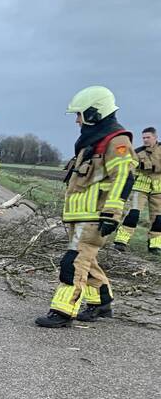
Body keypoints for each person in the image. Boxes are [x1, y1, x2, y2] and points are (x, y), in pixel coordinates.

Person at [35, 86, 137, 328]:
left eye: (79, 115)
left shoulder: (117, 141)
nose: (77, 121)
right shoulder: (91, 143)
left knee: (73, 262)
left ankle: (62, 310)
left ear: (94, 113)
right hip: (80, 217)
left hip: (94, 217)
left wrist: (112, 213)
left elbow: (123, 176)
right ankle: (101, 301)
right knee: (87, 261)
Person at [114, 126, 161, 254]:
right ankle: (121, 241)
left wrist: (147, 166)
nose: (145, 140)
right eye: (143, 137)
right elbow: (129, 165)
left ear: (155, 137)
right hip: (140, 188)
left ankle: (155, 246)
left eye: (148, 137)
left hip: (158, 190)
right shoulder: (138, 152)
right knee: (133, 214)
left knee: (158, 219)